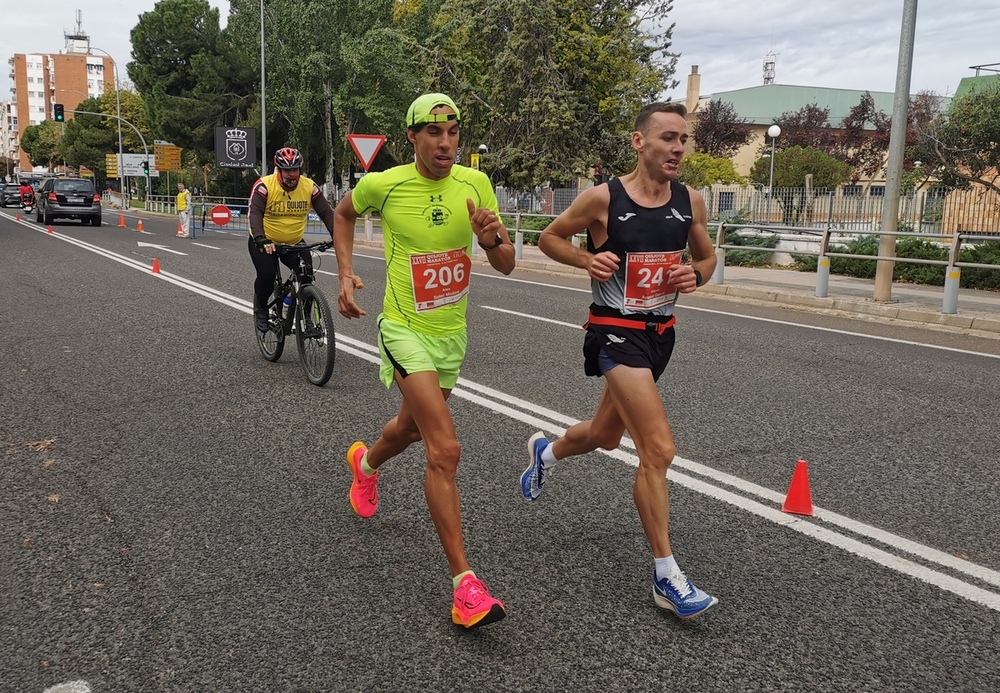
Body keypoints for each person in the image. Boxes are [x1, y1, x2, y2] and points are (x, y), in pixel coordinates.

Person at [519, 101, 719, 619]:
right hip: (615, 333)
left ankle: (544, 454)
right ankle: (667, 576)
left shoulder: (689, 201)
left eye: (683, 139)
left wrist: (694, 275)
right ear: (639, 142)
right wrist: (588, 258)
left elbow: (707, 257)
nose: (678, 148)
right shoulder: (603, 198)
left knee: (607, 436)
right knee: (658, 449)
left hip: (660, 336)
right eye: (667, 139)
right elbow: (548, 237)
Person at [333, 93, 515, 629]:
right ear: (412, 136)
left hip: (450, 336)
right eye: (434, 133)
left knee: (410, 431)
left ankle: (365, 464)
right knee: (445, 448)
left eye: (453, 132)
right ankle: (465, 587)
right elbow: (342, 214)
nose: (445, 143)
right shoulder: (384, 185)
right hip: (403, 330)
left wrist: (492, 238)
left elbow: (505, 264)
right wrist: (344, 273)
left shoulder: (475, 186)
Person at [248, 147, 336, 333]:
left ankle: (307, 321)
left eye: (295, 170)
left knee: (306, 275)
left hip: (294, 241)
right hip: (266, 241)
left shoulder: (309, 187)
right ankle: (261, 309)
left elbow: (326, 213)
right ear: (278, 169)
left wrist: (337, 235)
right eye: (287, 170)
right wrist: (260, 238)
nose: (292, 174)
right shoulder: (264, 186)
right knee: (267, 275)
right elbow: (254, 213)